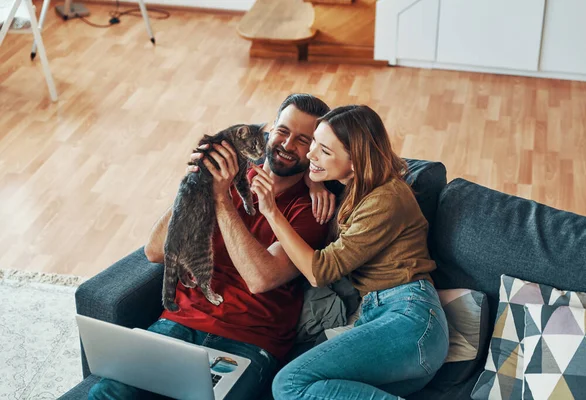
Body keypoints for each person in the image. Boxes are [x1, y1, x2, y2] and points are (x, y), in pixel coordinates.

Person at [88, 94, 335, 400]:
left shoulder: (311, 208)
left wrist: (221, 200)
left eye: (302, 139)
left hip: (248, 342)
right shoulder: (226, 175)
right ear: (270, 130)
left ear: (314, 149)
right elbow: (154, 251)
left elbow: (261, 279)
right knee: (106, 393)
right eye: (283, 131)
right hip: (178, 325)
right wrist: (196, 187)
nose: (286, 145)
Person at [250, 105, 450, 400]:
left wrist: (271, 212)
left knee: (289, 384)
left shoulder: (386, 199)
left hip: (409, 320)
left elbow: (319, 271)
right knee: (314, 390)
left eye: (324, 151)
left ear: (356, 161)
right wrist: (312, 181)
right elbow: (299, 161)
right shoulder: (355, 185)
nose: (310, 154)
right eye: (314, 142)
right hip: (382, 321)